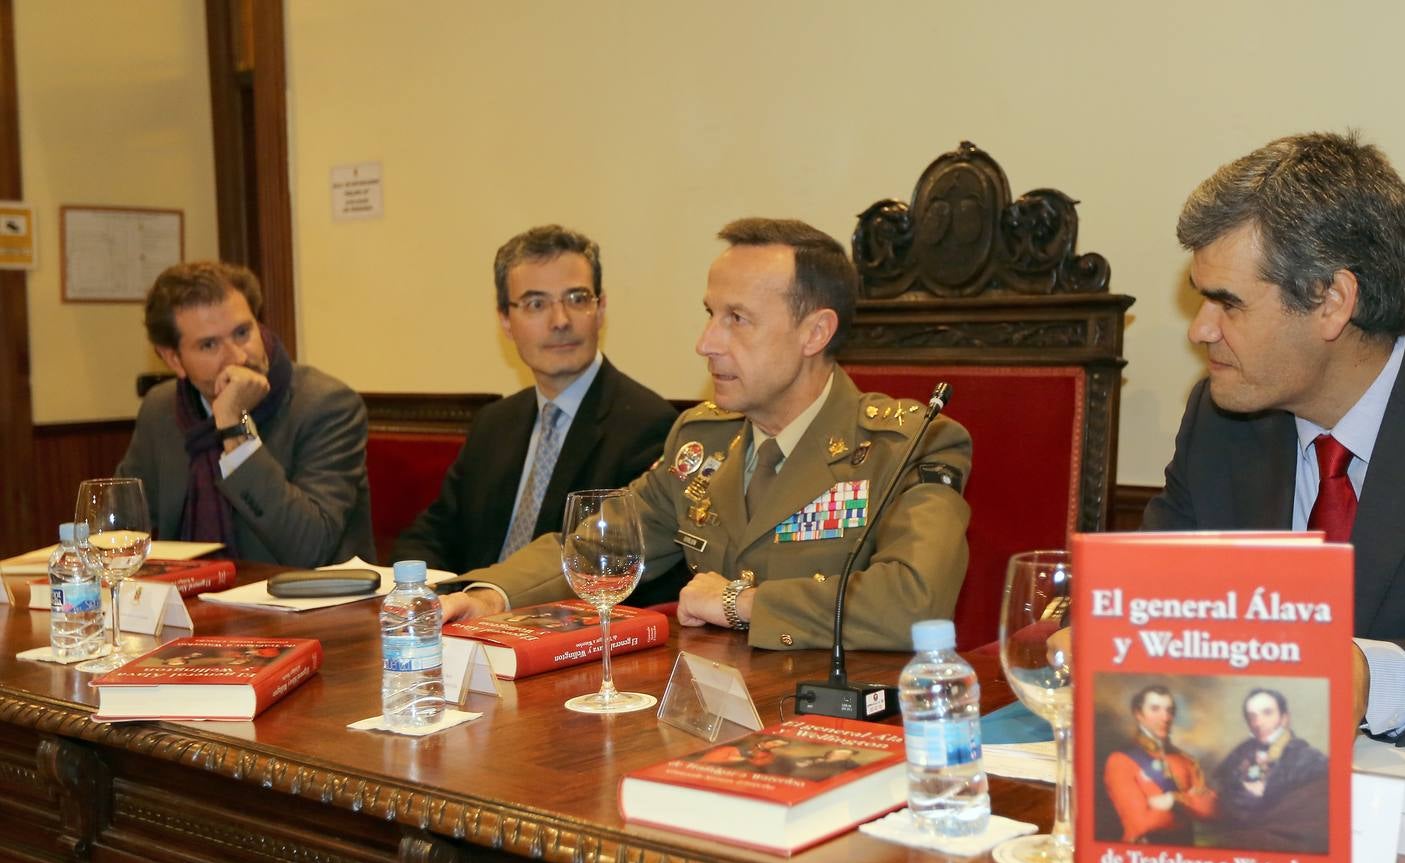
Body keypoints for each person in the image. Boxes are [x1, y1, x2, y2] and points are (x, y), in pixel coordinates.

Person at [441, 218, 972, 649]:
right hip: (704, 712)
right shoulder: (702, 443)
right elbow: (600, 546)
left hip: (836, 724)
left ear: (815, 332)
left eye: (737, 319)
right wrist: (491, 596)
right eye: (710, 314)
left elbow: (914, 603)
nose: (706, 342)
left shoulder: (907, 447)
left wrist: (740, 603)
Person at [1141, 131, 1405, 744]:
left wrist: (1376, 679)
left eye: (1227, 304)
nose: (1200, 331)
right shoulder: (1219, 421)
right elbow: (1151, 596)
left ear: (1331, 301)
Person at [391, 226, 678, 604]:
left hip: (561, 637)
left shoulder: (648, 424)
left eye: (577, 298)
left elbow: (611, 567)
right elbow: (436, 531)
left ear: (601, 309)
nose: (560, 320)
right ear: (505, 321)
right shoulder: (495, 422)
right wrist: (416, 595)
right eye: (536, 303)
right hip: (469, 622)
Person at [117, 261, 374, 567]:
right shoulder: (161, 409)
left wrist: (235, 431)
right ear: (174, 359)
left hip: (308, 605)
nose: (238, 356)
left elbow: (309, 547)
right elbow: (123, 526)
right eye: (209, 344)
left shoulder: (327, 405)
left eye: (242, 332)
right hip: (192, 600)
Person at [1210, 689, 1329, 853]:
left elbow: (1306, 818)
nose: (1258, 722)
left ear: (1284, 718)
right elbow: (1222, 798)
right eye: (1252, 716)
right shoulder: (1240, 753)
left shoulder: (1308, 759)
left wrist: (1263, 792)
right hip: (1240, 842)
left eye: (1267, 713)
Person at [1102, 686, 1217, 845]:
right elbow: (1141, 824)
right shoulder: (1120, 761)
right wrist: (1190, 806)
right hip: (1140, 857)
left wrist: (1174, 800)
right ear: (1138, 714)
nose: (1165, 717)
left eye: (1169, 711)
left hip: (1185, 854)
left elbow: (1211, 809)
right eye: (1155, 709)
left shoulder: (1186, 760)